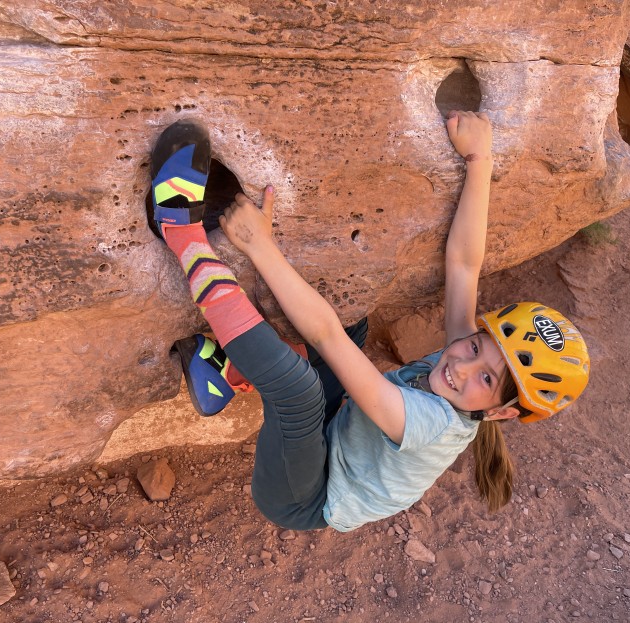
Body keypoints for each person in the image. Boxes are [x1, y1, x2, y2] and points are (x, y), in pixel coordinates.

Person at [146, 112, 590, 532]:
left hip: (303, 497)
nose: (461, 364)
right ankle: (224, 373)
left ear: (500, 412)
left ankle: (179, 231)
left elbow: (325, 334)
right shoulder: (465, 375)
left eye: (486, 377)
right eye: (475, 347)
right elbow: (463, 265)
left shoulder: (432, 424)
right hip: (335, 435)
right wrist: (479, 159)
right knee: (355, 323)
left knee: (299, 391)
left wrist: (259, 246)